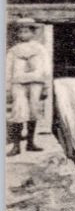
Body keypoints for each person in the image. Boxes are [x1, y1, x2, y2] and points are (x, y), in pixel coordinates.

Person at [7, 22, 48, 155]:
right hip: (18, 83)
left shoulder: (40, 49)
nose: (23, 34)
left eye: (26, 31)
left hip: (36, 82)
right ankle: (16, 146)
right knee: (18, 112)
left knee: (33, 111)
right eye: (21, 32)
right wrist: (7, 87)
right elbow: (7, 69)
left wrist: (46, 86)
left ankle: (30, 142)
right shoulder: (13, 51)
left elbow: (46, 67)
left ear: (33, 33)